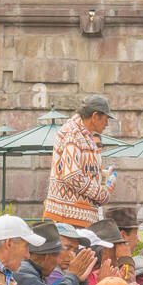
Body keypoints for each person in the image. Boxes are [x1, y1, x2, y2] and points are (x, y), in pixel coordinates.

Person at [43, 95, 115, 226]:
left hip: (77, 213)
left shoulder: (82, 133)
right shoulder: (73, 134)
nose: (107, 124)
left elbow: (77, 169)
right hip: (70, 215)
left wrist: (101, 177)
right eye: (106, 118)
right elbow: (72, 176)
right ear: (94, 116)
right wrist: (101, 194)